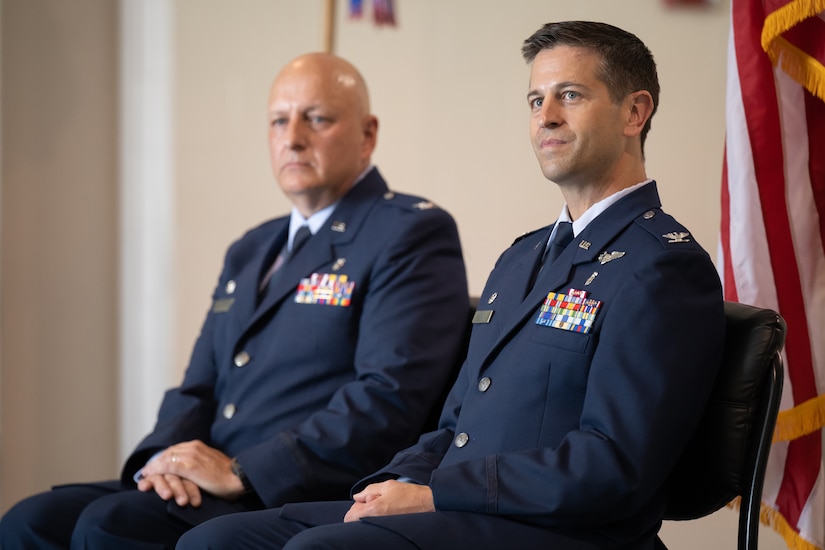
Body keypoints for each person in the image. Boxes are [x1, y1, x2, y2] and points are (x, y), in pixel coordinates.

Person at [175, 20, 726, 550]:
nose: (547, 117)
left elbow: (612, 465)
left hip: (564, 532)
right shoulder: (521, 257)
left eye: (571, 95)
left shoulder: (661, 267)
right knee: (217, 539)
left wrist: (434, 494)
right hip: (465, 512)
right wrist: (391, 482)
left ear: (635, 112)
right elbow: (455, 425)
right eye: (536, 101)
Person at [0, 53, 470, 548]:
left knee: (112, 524)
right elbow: (197, 385)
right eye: (278, 121)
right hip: (214, 472)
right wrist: (166, 459)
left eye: (317, 118)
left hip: (295, 481)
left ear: (367, 134)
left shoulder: (409, 232)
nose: (292, 138)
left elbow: (387, 398)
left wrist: (244, 470)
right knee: (31, 519)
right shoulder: (251, 248)